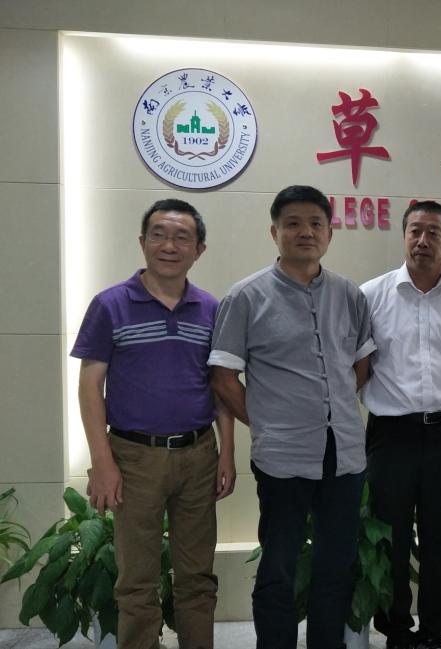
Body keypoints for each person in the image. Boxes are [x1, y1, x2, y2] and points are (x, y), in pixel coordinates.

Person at [208, 185, 375, 649]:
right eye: (293, 223)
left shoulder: (349, 294)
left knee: (335, 564)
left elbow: (362, 365)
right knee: (278, 565)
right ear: (274, 232)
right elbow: (223, 377)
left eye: (316, 223)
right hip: (282, 456)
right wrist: (266, 421)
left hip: (344, 454)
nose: (306, 232)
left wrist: (333, 406)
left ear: (329, 233)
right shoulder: (246, 296)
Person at [72, 198, 235, 649]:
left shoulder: (211, 309)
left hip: (199, 455)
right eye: (159, 235)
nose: (169, 245)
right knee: (137, 580)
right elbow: (90, 387)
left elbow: (220, 386)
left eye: (182, 237)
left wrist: (227, 452)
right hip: (133, 457)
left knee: (197, 576)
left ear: (199, 249)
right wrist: (102, 462)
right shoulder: (109, 305)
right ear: (143, 242)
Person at [360, 201, 441, 649]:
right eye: (415, 231)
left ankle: (434, 633)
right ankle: (396, 630)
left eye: (433, 233)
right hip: (389, 434)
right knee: (390, 539)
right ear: (404, 237)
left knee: (439, 540)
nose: (422, 241)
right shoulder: (371, 295)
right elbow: (357, 367)